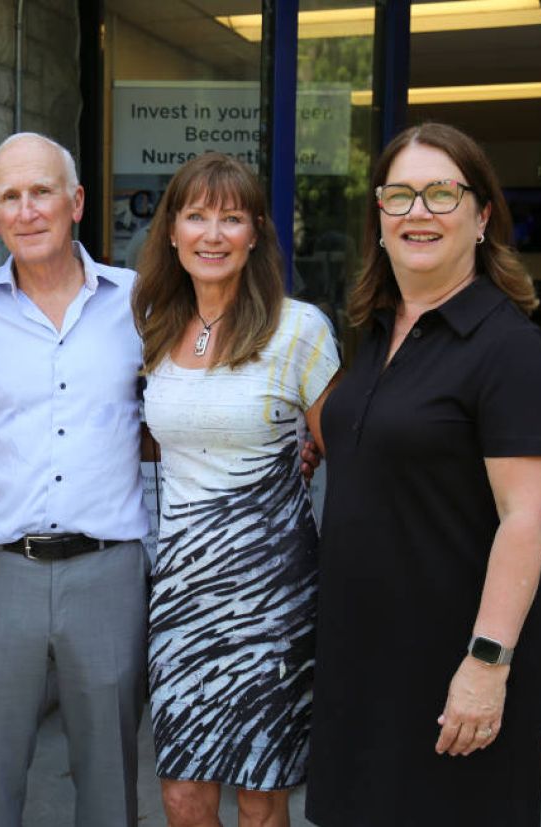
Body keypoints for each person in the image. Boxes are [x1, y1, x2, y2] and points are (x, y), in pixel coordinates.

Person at [306, 123, 541, 827]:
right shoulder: (375, 334)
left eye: (441, 193)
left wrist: (486, 665)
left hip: (449, 673)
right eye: (400, 195)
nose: (418, 212)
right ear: (380, 222)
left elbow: (529, 516)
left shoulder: (510, 351)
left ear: (482, 217)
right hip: (359, 667)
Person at [0, 132, 152, 827]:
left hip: (109, 570)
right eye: (11, 197)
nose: (28, 211)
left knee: (111, 783)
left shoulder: (140, 304)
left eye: (42, 192)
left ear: (76, 202)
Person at [131, 152, 340, 827]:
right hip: (182, 590)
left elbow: (352, 447)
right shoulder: (155, 326)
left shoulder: (298, 329)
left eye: (232, 217)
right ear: (172, 230)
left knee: (259, 795)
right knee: (182, 796)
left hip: (272, 597)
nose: (212, 234)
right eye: (196, 216)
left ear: (255, 234)